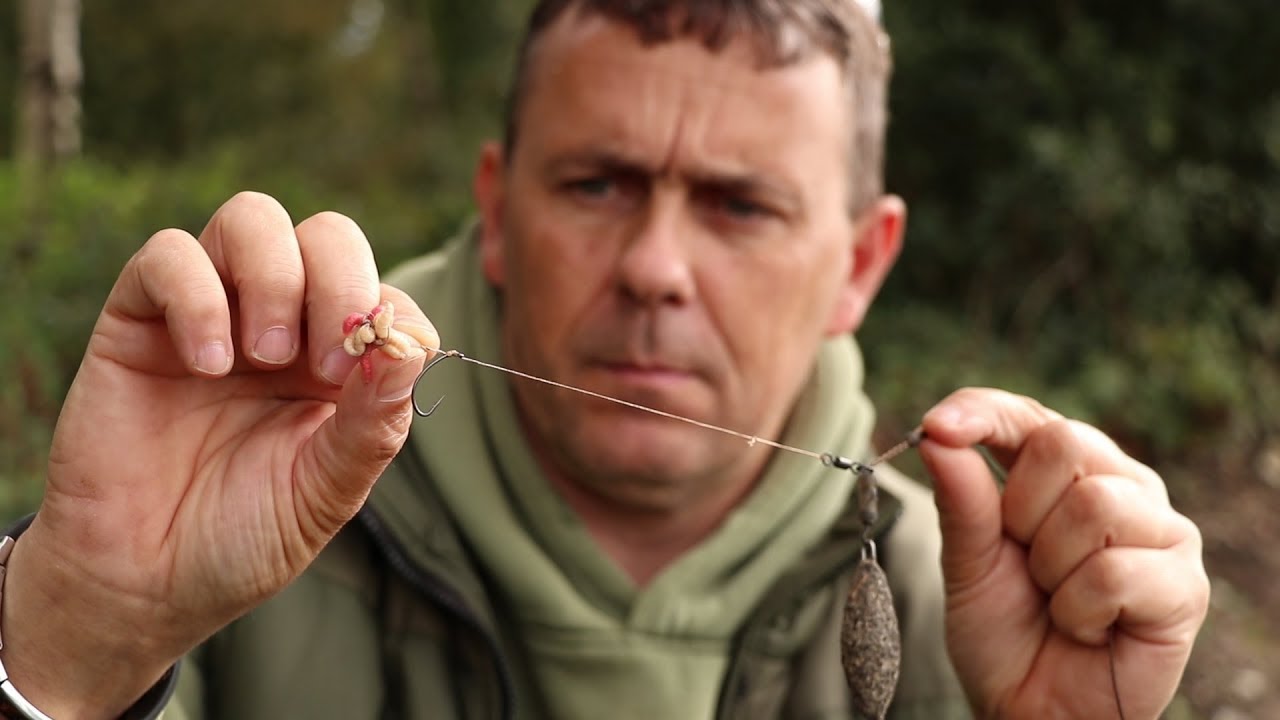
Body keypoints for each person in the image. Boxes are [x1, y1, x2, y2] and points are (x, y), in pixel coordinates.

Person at [0, 1, 1209, 718]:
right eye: (597, 183)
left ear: (858, 262)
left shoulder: (982, 609)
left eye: (738, 205)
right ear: (498, 204)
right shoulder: (231, 512)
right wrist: (70, 644)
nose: (654, 268)